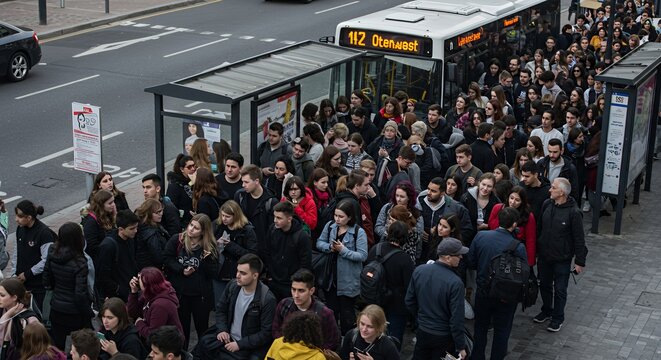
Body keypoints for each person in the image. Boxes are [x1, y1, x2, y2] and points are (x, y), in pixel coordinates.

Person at [466, 207, 528, 360]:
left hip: (483, 291)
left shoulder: (481, 237)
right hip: (506, 295)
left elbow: (471, 262)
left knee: (480, 328)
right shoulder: (518, 246)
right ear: (514, 224)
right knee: (502, 332)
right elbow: (523, 274)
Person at [194, 254, 276, 360]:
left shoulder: (267, 299)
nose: (237, 275)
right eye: (237, 271)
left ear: (255, 275)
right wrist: (222, 330)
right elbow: (221, 309)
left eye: (243, 273)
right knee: (204, 344)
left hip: (248, 346)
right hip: (228, 337)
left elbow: (266, 333)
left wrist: (240, 344)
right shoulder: (233, 286)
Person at [535, 178, 588, 332]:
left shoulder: (574, 213)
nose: (549, 190)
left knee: (560, 289)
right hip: (544, 256)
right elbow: (539, 228)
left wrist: (579, 262)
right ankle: (546, 310)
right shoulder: (547, 205)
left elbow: (579, 239)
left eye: (553, 187)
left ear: (562, 192)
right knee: (544, 284)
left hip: (562, 259)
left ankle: (558, 317)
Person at [405, 238, 468, 360]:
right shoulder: (455, 283)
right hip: (443, 337)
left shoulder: (419, 270)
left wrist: (420, 318)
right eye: (458, 254)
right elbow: (457, 319)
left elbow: (409, 301)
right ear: (448, 258)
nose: (461, 257)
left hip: (423, 331)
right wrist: (461, 346)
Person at [163, 214, 218, 349]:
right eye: (191, 225)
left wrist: (206, 260)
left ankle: (203, 354)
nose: (191, 229)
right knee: (182, 330)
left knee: (202, 329)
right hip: (181, 294)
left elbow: (213, 273)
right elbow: (167, 258)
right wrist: (182, 270)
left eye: (196, 228)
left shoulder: (209, 247)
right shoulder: (178, 240)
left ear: (203, 231)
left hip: (201, 296)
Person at [316, 200, 368, 335]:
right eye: (335, 215)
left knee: (347, 315)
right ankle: (332, 339)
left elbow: (362, 255)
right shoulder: (330, 226)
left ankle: (347, 340)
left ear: (350, 217)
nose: (337, 219)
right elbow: (319, 243)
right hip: (331, 278)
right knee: (331, 313)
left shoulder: (358, 232)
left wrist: (343, 250)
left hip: (348, 280)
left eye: (341, 216)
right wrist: (329, 247)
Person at [43, 222, 94, 350]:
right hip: (75, 312)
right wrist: (89, 312)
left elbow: (47, 280)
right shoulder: (80, 261)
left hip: (56, 307)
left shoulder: (53, 252)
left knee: (58, 345)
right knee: (80, 345)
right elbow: (80, 293)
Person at [365, 221, 414, 344]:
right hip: (396, 306)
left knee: (373, 337)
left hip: (374, 300)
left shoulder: (376, 249)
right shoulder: (405, 259)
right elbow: (409, 287)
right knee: (393, 340)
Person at [271, 269, 340, 351]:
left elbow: (332, 342)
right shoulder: (284, 305)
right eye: (293, 289)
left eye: (301, 291)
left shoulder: (324, 313)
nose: (296, 295)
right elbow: (275, 331)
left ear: (311, 291)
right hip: (286, 351)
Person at [263, 201, 312, 301]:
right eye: (274, 217)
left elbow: (305, 263)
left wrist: (296, 281)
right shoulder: (273, 230)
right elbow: (267, 252)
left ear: (289, 218)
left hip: (291, 284)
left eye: (279, 218)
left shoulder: (302, 236)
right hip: (274, 280)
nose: (275, 220)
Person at [213, 200, 258, 304]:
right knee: (220, 304)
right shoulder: (217, 226)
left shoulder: (247, 230)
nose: (224, 218)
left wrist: (230, 245)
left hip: (237, 273)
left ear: (236, 216)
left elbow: (252, 255)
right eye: (222, 215)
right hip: (219, 272)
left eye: (227, 216)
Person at [13, 200, 55, 311]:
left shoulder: (44, 233)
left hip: (38, 286)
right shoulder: (20, 229)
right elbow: (17, 251)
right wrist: (15, 273)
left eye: (20, 216)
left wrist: (28, 274)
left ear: (29, 217)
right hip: (22, 283)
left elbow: (46, 259)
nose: (16, 219)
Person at [127, 267, 183, 341]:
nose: (137, 280)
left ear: (146, 285)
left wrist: (139, 323)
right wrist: (134, 292)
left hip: (167, 345)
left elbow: (153, 334)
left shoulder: (160, 305)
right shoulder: (151, 293)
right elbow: (133, 312)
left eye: (139, 279)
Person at [96, 209, 139, 302]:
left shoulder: (130, 238)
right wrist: (118, 290)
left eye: (136, 227)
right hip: (118, 296)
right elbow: (102, 276)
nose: (135, 231)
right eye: (132, 228)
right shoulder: (108, 246)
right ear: (121, 229)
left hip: (130, 290)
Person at [234, 164, 278, 253]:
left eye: (246, 182)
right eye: (242, 182)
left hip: (263, 248)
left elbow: (273, 229)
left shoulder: (270, 201)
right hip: (244, 246)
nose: (243, 185)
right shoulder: (240, 196)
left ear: (257, 181)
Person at [488, 186, 537, 266]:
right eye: (511, 198)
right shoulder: (498, 208)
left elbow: (530, 240)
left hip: (515, 252)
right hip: (497, 248)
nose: (513, 202)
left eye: (517, 200)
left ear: (522, 202)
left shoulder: (528, 215)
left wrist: (529, 262)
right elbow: (491, 227)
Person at [0, 279, 41, 360]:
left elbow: (35, 349)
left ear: (14, 297)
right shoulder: (3, 309)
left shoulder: (29, 320)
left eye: (2, 295)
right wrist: (7, 315)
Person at [460, 173, 500, 246]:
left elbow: (498, 223)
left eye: (489, 186)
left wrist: (488, 226)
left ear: (493, 188)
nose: (485, 188)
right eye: (483, 184)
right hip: (467, 238)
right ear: (479, 183)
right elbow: (462, 219)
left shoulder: (496, 202)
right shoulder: (466, 198)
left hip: (487, 239)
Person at [82, 190, 116, 268]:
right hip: (99, 263)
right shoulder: (91, 222)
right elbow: (92, 247)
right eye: (110, 203)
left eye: (113, 202)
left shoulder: (107, 215)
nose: (113, 205)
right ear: (101, 205)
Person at [134, 199, 169, 271]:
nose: (161, 213)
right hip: (152, 270)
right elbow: (158, 257)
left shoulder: (146, 226)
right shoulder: (150, 234)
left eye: (161, 210)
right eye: (157, 212)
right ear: (149, 214)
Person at [167, 154, 196, 229]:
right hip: (183, 224)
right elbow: (171, 208)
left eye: (194, 165)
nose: (193, 169)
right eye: (189, 167)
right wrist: (187, 213)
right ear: (182, 169)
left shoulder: (192, 181)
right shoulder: (175, 186)